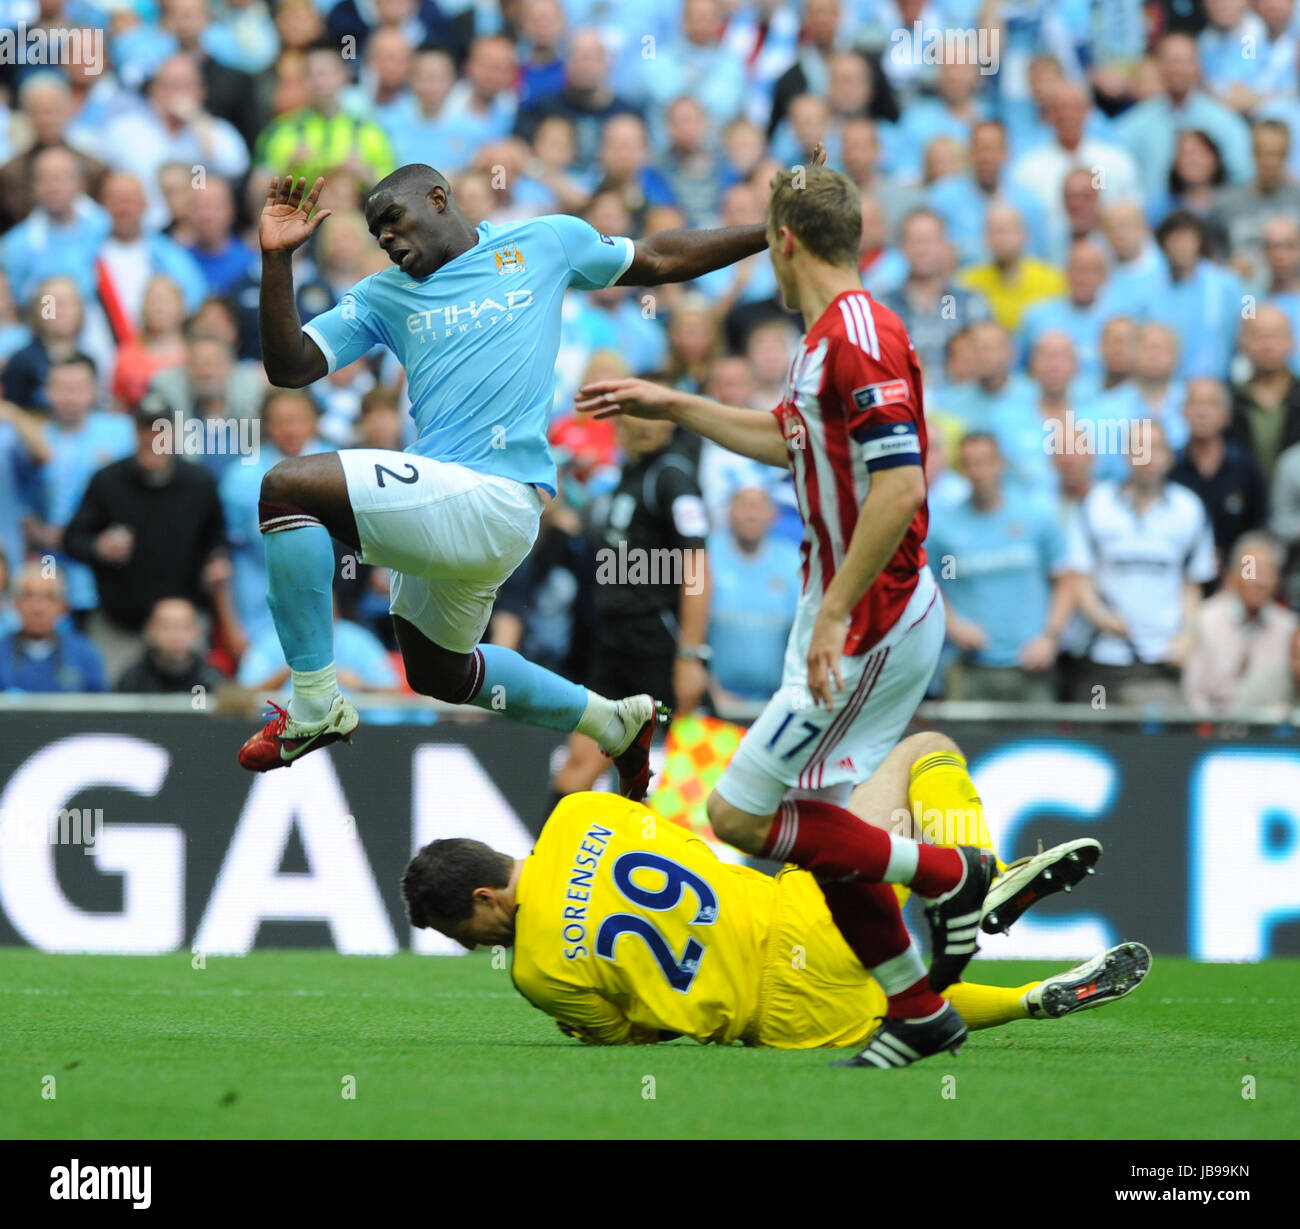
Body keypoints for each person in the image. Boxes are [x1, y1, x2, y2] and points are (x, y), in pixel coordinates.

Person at [578, 165, 1095, 1065]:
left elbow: (899, 484)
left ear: (784, 240)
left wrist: (835, 617)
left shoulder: (858, 334)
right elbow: (786, 441)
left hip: (869, 620)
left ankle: (955, 873)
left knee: (740, 814)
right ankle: (920, 1011)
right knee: (820, 826)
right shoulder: (828, 338)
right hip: (852, 611)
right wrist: (677, 404)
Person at [238, 161, 811, 795]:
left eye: (394, 222)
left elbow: (659, 257)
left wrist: (768, 230)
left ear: (438, 198)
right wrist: (277, 262)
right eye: (378, 236)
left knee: (287, 487)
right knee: (440, 674)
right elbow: (290, 369)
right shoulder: (383, 296)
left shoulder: (543, 243)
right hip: (445, 504)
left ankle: (316, 702)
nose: (389, 242)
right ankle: (613, 720)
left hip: (496, 497)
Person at [401, 733, 1130, 1058]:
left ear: (488, 897)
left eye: (456, 927)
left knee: (885, 1004)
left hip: (774, 1016)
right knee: (916, 751)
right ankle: (982, 875)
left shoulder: (534, 973)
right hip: (802, 909)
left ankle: (1031, 998)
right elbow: (686, 846)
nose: (467, 944)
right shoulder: (579, 812)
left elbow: (637, 1035)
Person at [552, 413, 711, 798]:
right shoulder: (630, 475)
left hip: (656, 646)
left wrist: (691, 653)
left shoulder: (672, 478)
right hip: (615, 647)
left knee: (689, 775)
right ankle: (544, 856)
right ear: (617, 426)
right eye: (633, 415)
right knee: (579, 764)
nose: (644, 424)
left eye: (650, 414)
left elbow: (697, 566)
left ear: (669, 422)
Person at [0, 565, 107, 694]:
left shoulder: (84, 655)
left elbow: (101, 707)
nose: (37, 608)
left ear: (63, 606)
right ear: (15, 603)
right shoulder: (2, 653)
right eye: (28, 596)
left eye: (49, 597)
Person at [116, 596, 228, 695]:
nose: (175, 635)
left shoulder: (212, 680)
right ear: (150, 630)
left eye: (184, 626)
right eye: (167, 626)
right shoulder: (132, 680)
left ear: (196, 631)